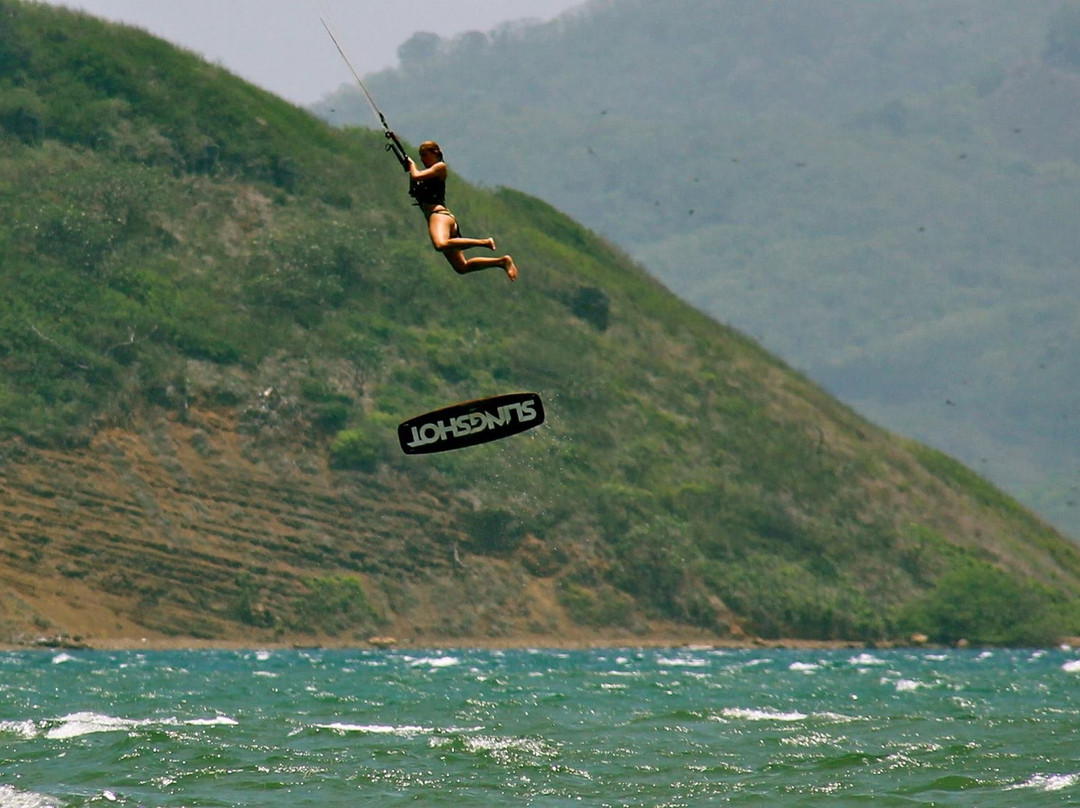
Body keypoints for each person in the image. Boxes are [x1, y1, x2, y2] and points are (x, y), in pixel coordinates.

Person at [406, 141, 518, 281]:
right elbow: (414, 188)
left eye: (424, 155)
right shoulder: (426, 176)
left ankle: (484, 242)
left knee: (440, 244)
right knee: (462, 267)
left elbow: (416, 175)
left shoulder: (440, 167)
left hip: (439, 216)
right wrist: (410, 170)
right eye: (420, 156)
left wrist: (412, 166)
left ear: (436, 153)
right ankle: (502, 261)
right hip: (443, 219)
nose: (422, 159)